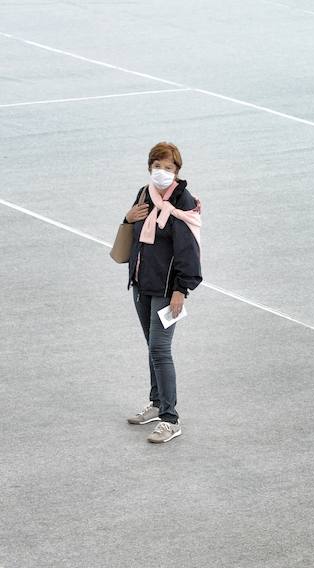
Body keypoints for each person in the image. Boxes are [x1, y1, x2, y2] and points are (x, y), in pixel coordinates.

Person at [123, 142, 202, 444]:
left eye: (168, 168)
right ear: (149, 167)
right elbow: (133, 235)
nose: (162, 172)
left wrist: (181, 290)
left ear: (177, 171)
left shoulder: (184, 201)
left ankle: (170, 418)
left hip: (168, 290)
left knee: (160, 349)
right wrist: (128, 218)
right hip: (142, 284)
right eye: (157, 166)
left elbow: (188, 250)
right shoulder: (144, 194)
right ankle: (156, 403)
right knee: (151, 347)